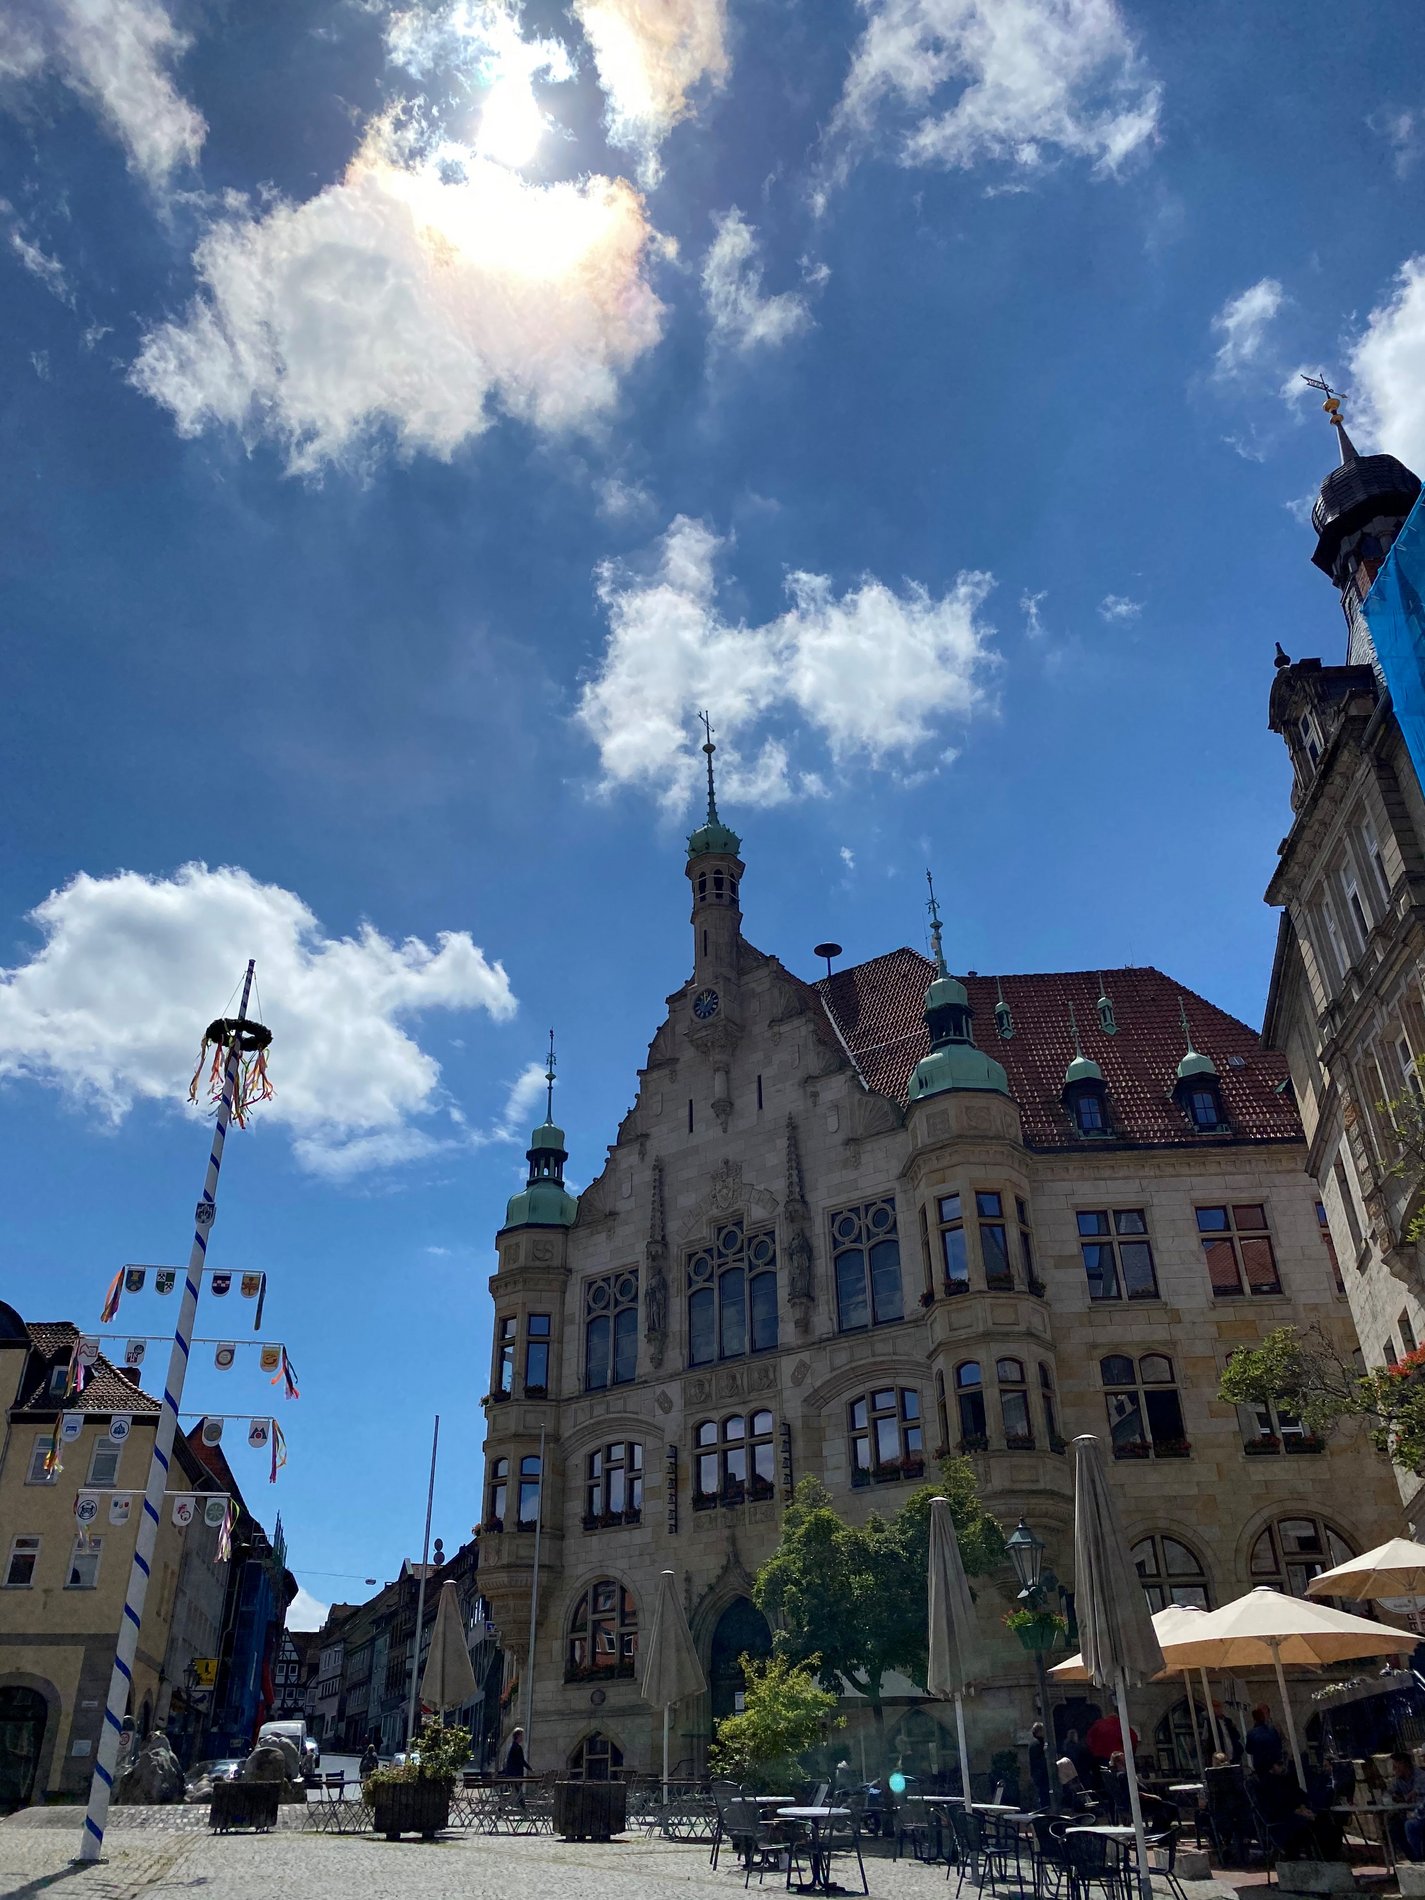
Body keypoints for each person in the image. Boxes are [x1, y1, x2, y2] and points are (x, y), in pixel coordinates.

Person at [1245, 1705, 1284, 1777]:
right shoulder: (1272, 1730)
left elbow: (1249, 1750)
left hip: (1261, 1765)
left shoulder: (1252, 1733)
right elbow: (1279, 1744)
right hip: (1273, 1765)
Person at [1028, 1722, 1050, 1810]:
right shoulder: (1037, 1744)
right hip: (1041, 1774)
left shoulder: (1036, 1743)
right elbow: (1039, 1760)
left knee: (1043, 1795)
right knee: (1044, 1795)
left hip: (1039, 1774)